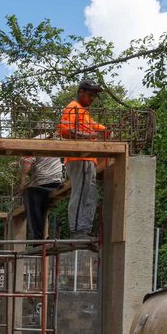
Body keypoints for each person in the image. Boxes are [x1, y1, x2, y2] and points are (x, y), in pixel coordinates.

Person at [57, 79, 109, 239]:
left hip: (88, 158)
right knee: (81, 194)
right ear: (81, 92)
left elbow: (92, 126)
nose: (92, 99)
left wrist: (105, 130)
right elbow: (63, 129)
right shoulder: (72, 108)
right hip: (79, 157)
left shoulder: (83, 112)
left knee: (89, 194)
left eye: (94, 96)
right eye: (90, 95)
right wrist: (89, 136)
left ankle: (84, 230)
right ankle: (77, 230)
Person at [19, 135, 62, 241]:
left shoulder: (34, 142)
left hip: (43, 182)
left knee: (29, 195)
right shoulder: (56, 139)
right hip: (57, 181)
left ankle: (37, 238)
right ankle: (45, 236)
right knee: (43, 207)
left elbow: (27, 164)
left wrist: (22, 181)